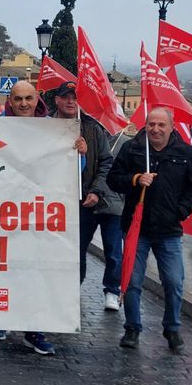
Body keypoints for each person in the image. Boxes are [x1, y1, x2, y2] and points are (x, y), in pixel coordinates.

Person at [107, 107, 192, 353]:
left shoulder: (185, 153)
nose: (155, 129)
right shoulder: (133, 148)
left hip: (169, 230)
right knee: (131, 281)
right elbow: (113, 178)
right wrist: (136, 179)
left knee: (173, 282)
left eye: (161, 125)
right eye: (151, 124)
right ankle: (132, 328)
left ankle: (172, 328)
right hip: (135, 228)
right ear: (146, 125)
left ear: (171, 127)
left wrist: (180, 211)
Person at [0, 80, 72, 355]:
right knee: (4, 268)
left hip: (39, 215)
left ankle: (34, 330)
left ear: (38, 100)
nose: (24, 104)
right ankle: (0, 318)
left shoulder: (53, 130)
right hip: (3, 212)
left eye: (28, 98)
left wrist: (78, 152)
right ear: (10, 101)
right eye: (18, 99)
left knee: (37, 272)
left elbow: (72, 171)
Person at [51, 81, 122, 312]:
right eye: (66, 96)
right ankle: (73, 288)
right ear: (57, 100)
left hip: (104, 200)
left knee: (113, 250)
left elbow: (106, 162)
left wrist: (96, 191)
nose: (71, 101)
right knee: (76, 249)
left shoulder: (92, 128)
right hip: (74, 201)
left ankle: (112, 289)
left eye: (75, 97)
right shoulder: (46, 126)